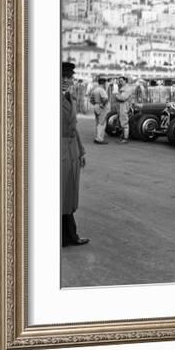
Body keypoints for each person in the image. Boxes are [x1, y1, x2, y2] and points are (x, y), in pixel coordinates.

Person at [61, 62, 89, 247]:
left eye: (68, 77)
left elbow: (74, 128)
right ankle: (68, 236)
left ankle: (68, 236)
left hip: (70, 151)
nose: (65, 80)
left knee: (67, 194)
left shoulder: (68, 97)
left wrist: (81, 151)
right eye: (62, 76)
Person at [90, 76, 109, 144]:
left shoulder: (95, 89)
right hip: (101, 107)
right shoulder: (102, 90)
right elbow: (105, 99)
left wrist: (95, 104)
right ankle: (100, 139)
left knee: (98, 123)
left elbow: (91, 100)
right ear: (104, 83)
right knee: (102, 123)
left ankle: (97, 137)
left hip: (96, 105)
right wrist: (103, 104)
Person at [115, 76, 134, 143]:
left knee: (124, 122)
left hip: (124, 106)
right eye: (119, 81)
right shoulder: (123, 88)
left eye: (121, 81)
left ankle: (125, 138)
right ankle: (123, 136)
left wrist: (117, 96)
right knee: (121, 121)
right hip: (122, 106)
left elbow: (122, 98)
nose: (120, 82)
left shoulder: (127, 88)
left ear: (125, 81)